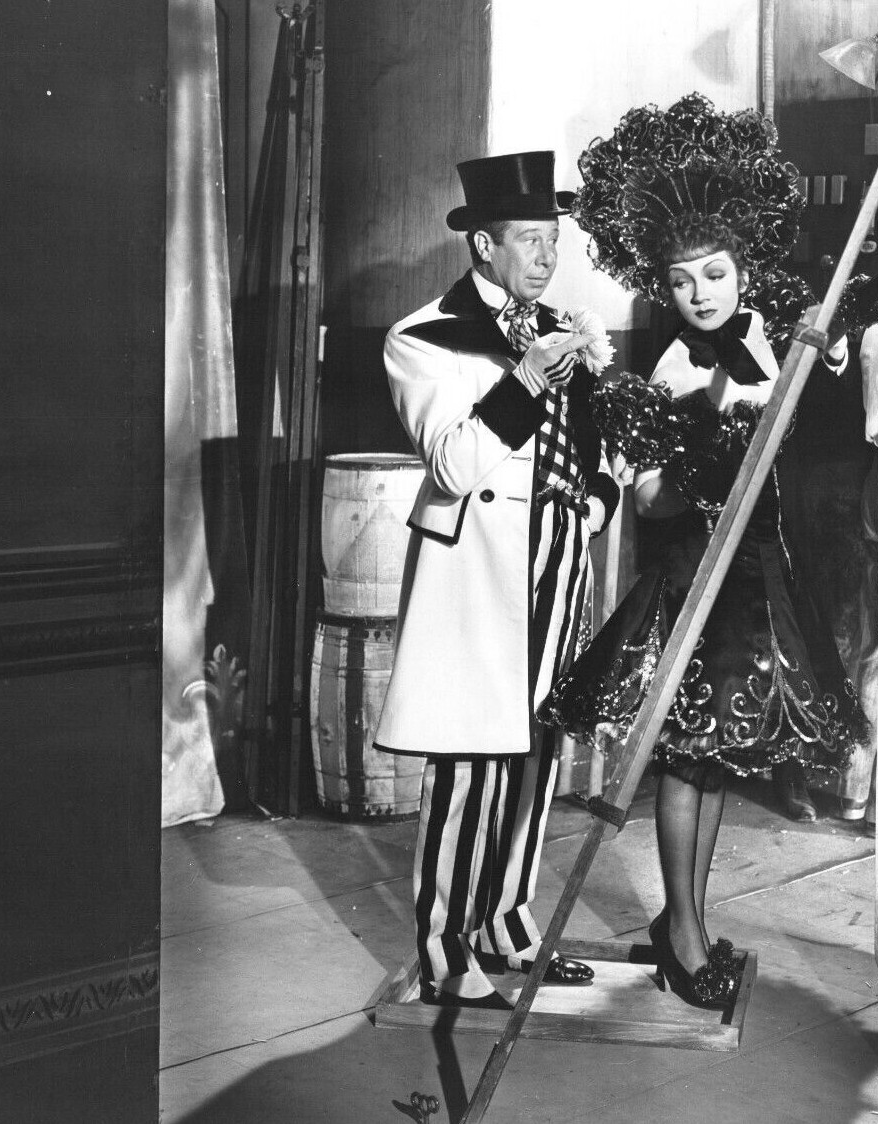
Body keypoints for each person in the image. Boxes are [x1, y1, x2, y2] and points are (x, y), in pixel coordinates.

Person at [539, 96, 871, 1008]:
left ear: (742, 271)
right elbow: (648, 499)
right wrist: (700, 467)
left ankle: (682, 920)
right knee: (687, 754)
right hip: (696, 576)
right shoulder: (674, 369)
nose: (701, 295)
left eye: (715, 275)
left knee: (718, 753)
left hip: (760, 570)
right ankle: (682, 938)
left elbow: (826, 360)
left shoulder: (774, 337)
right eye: (682, 283)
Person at [375, 150, 623, 1010]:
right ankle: (444, 950)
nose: (547, 257)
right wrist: (525, 379)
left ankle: (505, 920)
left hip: (558, 555)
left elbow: (595, 444)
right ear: (484, 244)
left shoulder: (560, 326)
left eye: (553, 239)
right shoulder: (422, 337)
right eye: (529, 240)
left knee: (539, 743)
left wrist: (595, 505)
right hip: (479, 569)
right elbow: (451, 463)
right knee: (471, 756)